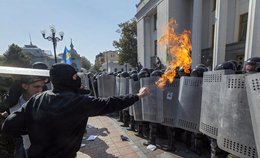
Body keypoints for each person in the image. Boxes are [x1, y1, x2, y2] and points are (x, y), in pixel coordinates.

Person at [2, 63, 150, 158]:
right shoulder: (79, 103)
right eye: (74, 76)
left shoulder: (38, 98)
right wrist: (138, 95)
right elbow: (110, 104)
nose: (77, 79)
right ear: (67, 79)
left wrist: (36, 128)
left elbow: (9, 126)